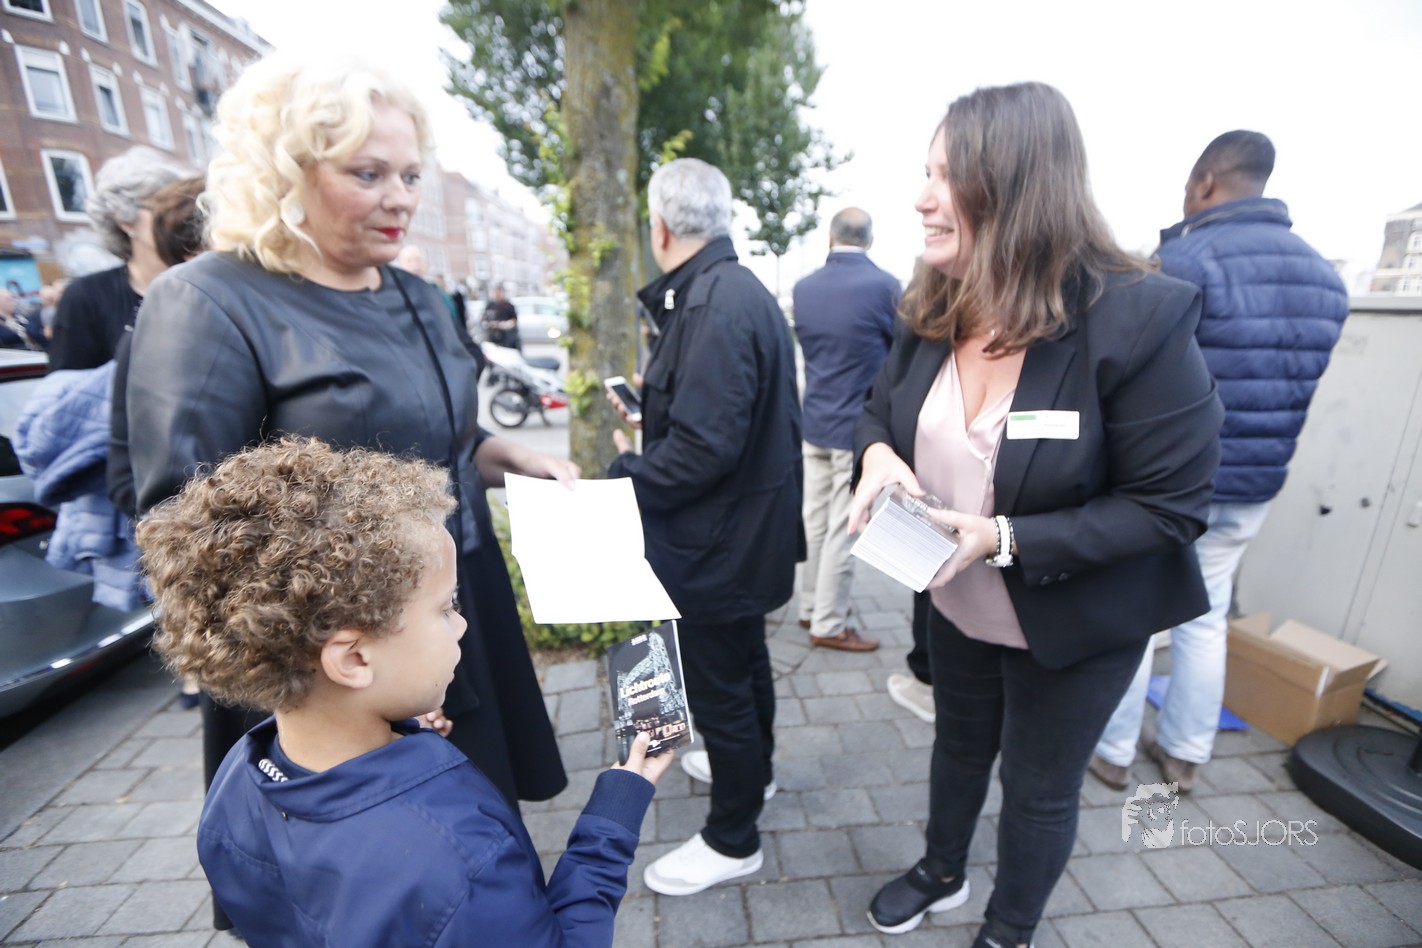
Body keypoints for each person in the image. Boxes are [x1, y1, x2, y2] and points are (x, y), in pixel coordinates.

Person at [124, 52, 575, 928]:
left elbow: (444, 437)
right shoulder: (209, 301)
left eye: (410, 174)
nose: (400, 197)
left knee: (477, 860)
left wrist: (511, 458)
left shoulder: (419, 296)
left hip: (453, 611)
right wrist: (354, 681)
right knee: (373, 897)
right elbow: (191, 530)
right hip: (334, 661)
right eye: (367, 174)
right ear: (285, 171)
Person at [848, 82, 1223, 946]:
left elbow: (1168, 510)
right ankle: (941, 870)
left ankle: (1010, 927)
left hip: (1074, 618)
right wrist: (878, 457)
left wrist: (1003, 537)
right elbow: (875, 412)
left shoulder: (1138, 318)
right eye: (924, 173)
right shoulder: (934, 303)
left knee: (1039, 787)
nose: (921, 198)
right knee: (957, 745)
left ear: (1015, 187)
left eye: (945, 176)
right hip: (955, 600)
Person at [136, 437, 670, 946]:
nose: (462, 625)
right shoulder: (457, 859)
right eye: (446, 608)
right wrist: (611, 818)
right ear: (353, 659)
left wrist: (401, 729)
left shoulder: (235, 782)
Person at [1090, 131, 1349, 794]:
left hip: (1172, 482)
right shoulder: (1325, 276)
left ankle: (1112, 751)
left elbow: (1132, 372)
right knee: (1204, 617)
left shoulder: (1185, 259)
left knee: (1133, 612)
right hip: (1255, 484)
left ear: (1205, 183)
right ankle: (1184, 755)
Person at [605, 157, 804, 897]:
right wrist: (655, 417)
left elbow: (702, 450)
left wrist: (623, 474)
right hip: (741, 534)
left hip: (718, 545)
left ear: (659, 227)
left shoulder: (711, 305)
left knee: (721, 686)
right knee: (744, 667)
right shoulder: (732, 290)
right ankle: (752, 773)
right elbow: (720, 422)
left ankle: (733, 836)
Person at [792, 207, 897, 653]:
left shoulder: (803, 288)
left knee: (814, 522)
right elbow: (900, 354)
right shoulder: (885, 287)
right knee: (845, 527)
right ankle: (830, 622)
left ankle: (809, 606)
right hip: (856, 427)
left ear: (830, 238)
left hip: (813, 420)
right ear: (869, 239)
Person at [48, 146, 190, 370]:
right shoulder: (86, 297)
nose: (177, 218)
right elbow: (68, 386)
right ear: (125, 220)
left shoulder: (204, 285)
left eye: (181, 207)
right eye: (162, 207)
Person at [483, 283, 520, 348]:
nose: (497, 294)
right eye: (495, 292)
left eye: (499, 292)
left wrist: (506, 324)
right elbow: (485, 318)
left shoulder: (508, 306)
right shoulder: (490, 305)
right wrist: (490, 323)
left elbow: (514, 319)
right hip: (492, 335)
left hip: (506, 336)